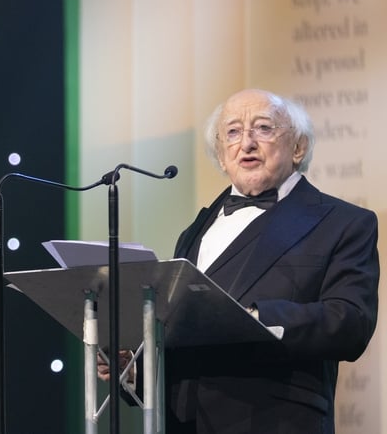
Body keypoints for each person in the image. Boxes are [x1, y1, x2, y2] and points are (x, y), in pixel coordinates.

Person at [99, 88, 379, 434]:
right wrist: (137, 371)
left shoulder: (344, 223)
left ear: (298, 147)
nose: (246, 143)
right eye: (232, 132)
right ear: (221, 153)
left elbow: (350, 322)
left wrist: (257, 318)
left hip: (276, 423)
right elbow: (186, 337)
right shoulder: (194, 230)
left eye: (263, 128)